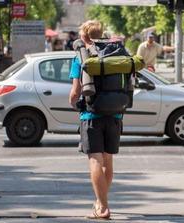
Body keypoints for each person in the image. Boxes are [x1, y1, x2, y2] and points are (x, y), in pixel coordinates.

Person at [69, 20, 122, 220]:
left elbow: (75, 92)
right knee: (107, 160)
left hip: (92, 115)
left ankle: (104, 207)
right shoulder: (114, 54)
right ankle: (100, 201)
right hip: (115, 114)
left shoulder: (81, 57)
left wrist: (73, 102)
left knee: (95, 161)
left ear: (84, 36)